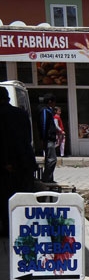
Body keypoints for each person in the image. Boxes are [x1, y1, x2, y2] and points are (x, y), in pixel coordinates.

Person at [0, 87, 38, 236]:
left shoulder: (2, 115)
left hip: (8, 165)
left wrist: (6, 162)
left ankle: (9, 229)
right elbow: (27, 138)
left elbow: (2, 141)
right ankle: (25, 226)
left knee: (6, 199)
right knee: (24, 196)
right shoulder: (21, 113)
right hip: (25, 162)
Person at [39, 94, 58, 183]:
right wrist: (43, 138)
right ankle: (46, 179)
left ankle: (50, 179)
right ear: (50, 101)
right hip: (48, 139)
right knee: (52, 160)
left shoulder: (49, 111)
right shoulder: (45, 111)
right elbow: (44, 125)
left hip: (51, 138)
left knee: (49, 159)